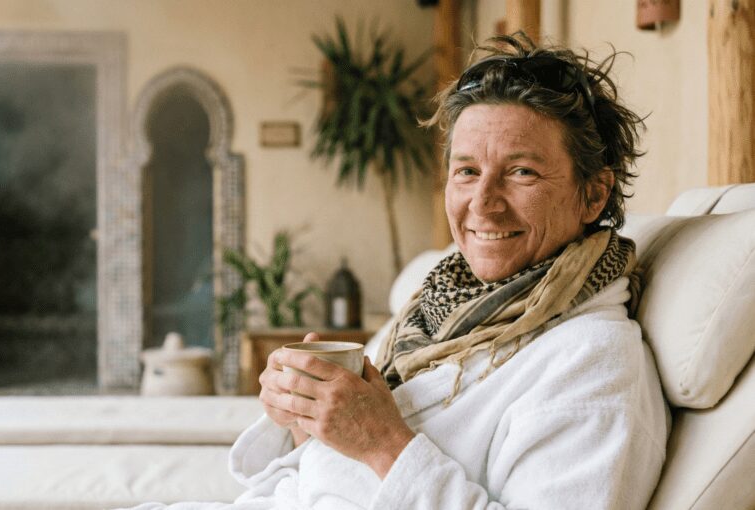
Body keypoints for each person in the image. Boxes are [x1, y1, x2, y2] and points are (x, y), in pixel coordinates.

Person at [125, 33, 668, 510]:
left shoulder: (594, 365)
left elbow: (379, 450)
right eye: (467, 171)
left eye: (521, 172)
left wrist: (382, 441)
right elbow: (334, 466)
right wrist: (301, 416)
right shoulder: (444, 307)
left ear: (593, 193)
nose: (483, 203)